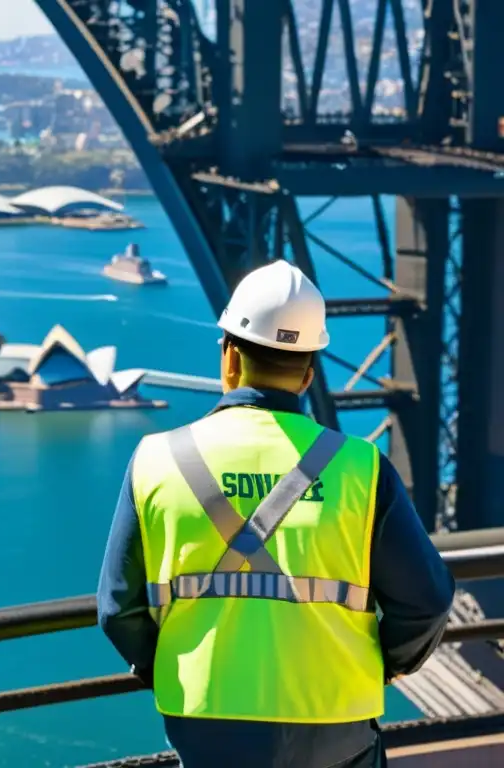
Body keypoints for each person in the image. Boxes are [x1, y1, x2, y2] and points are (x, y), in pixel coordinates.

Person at [96, 260, 456, 768]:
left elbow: (117, 609)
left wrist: (174, 668)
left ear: (229, 357)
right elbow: (428, 600)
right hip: (337, 722)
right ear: (309, 373)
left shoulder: (156, 459)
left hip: (207, 722)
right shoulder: (362, 468)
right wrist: (383, 667)